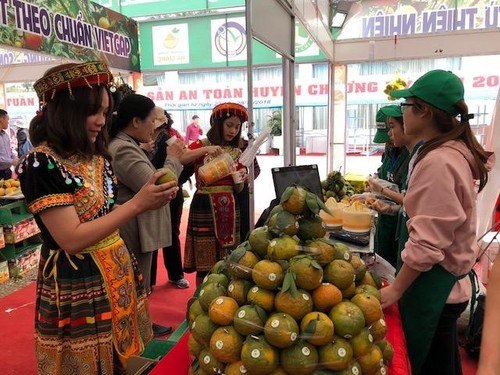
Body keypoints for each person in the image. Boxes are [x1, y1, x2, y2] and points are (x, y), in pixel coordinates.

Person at [16, 61, 178, 374]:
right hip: (77, 279)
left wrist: (144, 199)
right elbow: (72, 238)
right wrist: (137, 205)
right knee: (88, 363)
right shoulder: (41, 163)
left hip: (115, 268)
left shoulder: (97, 157)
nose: (101, 122)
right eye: (93, 112)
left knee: (121, 358)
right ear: (65, 112)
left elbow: (106, 213)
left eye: (105, 113)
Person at [381, 69, 490, 375]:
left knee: (432, 362)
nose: (402, 113)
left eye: (406, 106)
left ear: (424, 111)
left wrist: (396, 290)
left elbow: (428, 241)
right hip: (443, 282)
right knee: (443, 361)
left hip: (436, 287)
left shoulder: (440, 161)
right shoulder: (446, 151)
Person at [108, 94, 185, 336]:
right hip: (131, 228)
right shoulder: (122, 149)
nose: (155, 126)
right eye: (152, 120)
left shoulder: (128, 145)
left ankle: (140, 326)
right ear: (136, 121)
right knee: (133, 283)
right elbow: (157, 186)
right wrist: (173, 158)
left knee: (138, 283)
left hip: (136, 225)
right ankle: (134, 333)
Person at [181, 102, 248, 286]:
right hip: (204, 205)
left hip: (229, 208)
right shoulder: (202, 144)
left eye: (237, 126)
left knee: (228, 259)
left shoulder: (237, 151)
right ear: (218, 124)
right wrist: (206, 149)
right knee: (205, 262)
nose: (233, 130)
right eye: (229, 125)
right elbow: (182, 157)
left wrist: (240, 179)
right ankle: (201, 297)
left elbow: (238, 190)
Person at [147, 108, 191, 290]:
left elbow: (187, 163)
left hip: (171, 193)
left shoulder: (168, 139)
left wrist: (175, 183)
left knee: (171, 233)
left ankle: (175, 274)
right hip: (150, 194)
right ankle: (149, 280)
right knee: (149, 236)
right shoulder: (140, 141)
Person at [0, 109, 18, 178]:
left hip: (7, 171)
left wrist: (15, 157)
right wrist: (11, 161)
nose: (8, 122)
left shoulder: (5, 135)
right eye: (7, 120)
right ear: (1, 119)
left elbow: (9, 151)